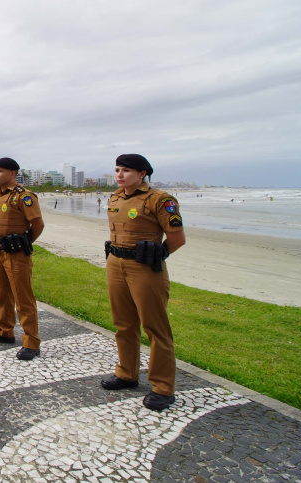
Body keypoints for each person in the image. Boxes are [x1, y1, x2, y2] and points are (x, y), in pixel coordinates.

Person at [101, 154, 186, 411]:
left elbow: (177, 238)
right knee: (123, 323)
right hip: (116, 263)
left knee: (155, 327)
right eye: (117, 169)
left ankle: (163, 387)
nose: (120, 174)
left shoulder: (160, 200)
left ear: (142, 174)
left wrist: (156, 254)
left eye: (126, 170)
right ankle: (127, 373)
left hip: (145, 268)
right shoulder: (115, 197)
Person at [0, 157, 46, 361]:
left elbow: (38, 224)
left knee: (23, 299)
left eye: (0, 171)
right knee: (3, 295)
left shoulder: (24, 197)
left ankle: (31, 342)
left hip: (17, 254)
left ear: (12, 174)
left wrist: (25, 243)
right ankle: (4, 331)